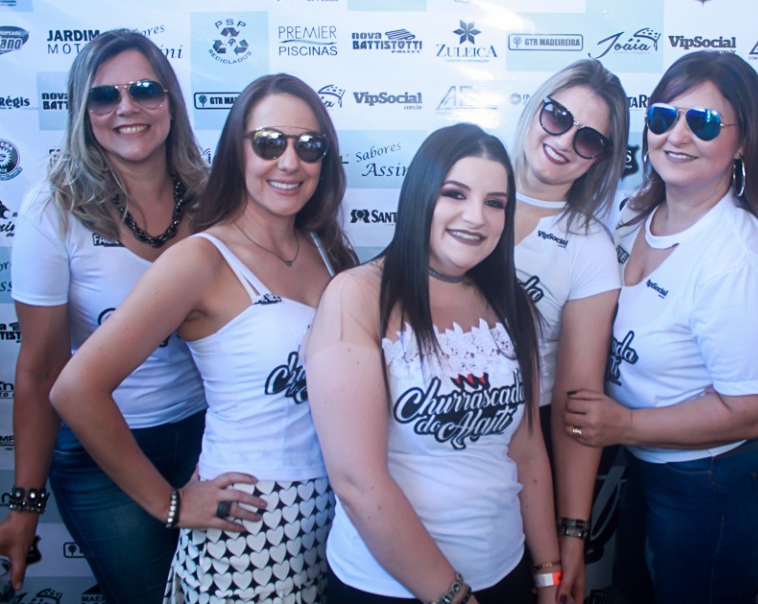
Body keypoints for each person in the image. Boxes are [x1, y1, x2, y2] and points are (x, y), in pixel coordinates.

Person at [49, 73, 356, 603]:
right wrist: (168, 504)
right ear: (236, 151)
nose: (290, 162)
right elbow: (75, 389)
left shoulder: (324, 246)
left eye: (310, 146)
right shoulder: (201, 258)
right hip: (251, 522)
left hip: (335, 513)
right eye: (269, 143)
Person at [563, 51, 758, 603]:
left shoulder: (737, 258)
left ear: (743, 142)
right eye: (664, 116)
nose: (677, 135)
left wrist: (624, 424)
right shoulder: (630, 215)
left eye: (705, 122)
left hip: (718, 485)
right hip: (651, 469)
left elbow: (755, 410)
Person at [306, 123, 561, 604]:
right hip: (389, 588)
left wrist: (549, 574)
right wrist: (453, 596)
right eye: (455, 194)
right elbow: (357, 483)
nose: (476, 217)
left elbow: (527, 453)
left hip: (504, 573)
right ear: (421, 195)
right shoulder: (356, 295)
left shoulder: (515, 305)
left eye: (495, 203)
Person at [4, 29, 207, 603]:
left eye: (144, 89)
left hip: (210, 439)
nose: (126, 108)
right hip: (102, 454)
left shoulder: (214, 197)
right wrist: (25, 504)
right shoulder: (54, 209)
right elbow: (41, 370)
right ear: (82, 111)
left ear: (170, 101)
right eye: (103, 95)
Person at [510, 59, 627, 604]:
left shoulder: (590, 247)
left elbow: (577, 400)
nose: (563, 142)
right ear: (536, 107)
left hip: (527, 455)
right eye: (558, 117)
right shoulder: (455, 192)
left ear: (602, 158)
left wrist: (572, 534)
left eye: (588, 139)